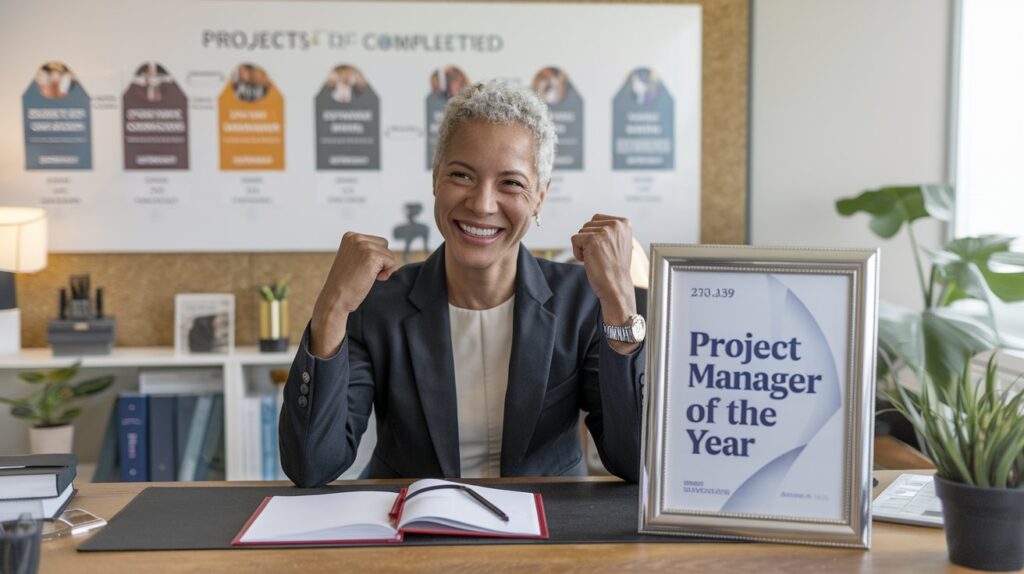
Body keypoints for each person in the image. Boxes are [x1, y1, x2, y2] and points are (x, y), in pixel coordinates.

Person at [280, 79, 646, 487]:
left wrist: (619, 303)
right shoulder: (380, 304)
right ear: (436, 178)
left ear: (540, 197)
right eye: (462, 175)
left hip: (545, 531)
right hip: (411, 532)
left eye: (511, 183)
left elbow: (633, 460)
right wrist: (331, 308)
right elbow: (311, 465)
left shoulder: (581, 300)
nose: (482, 204)